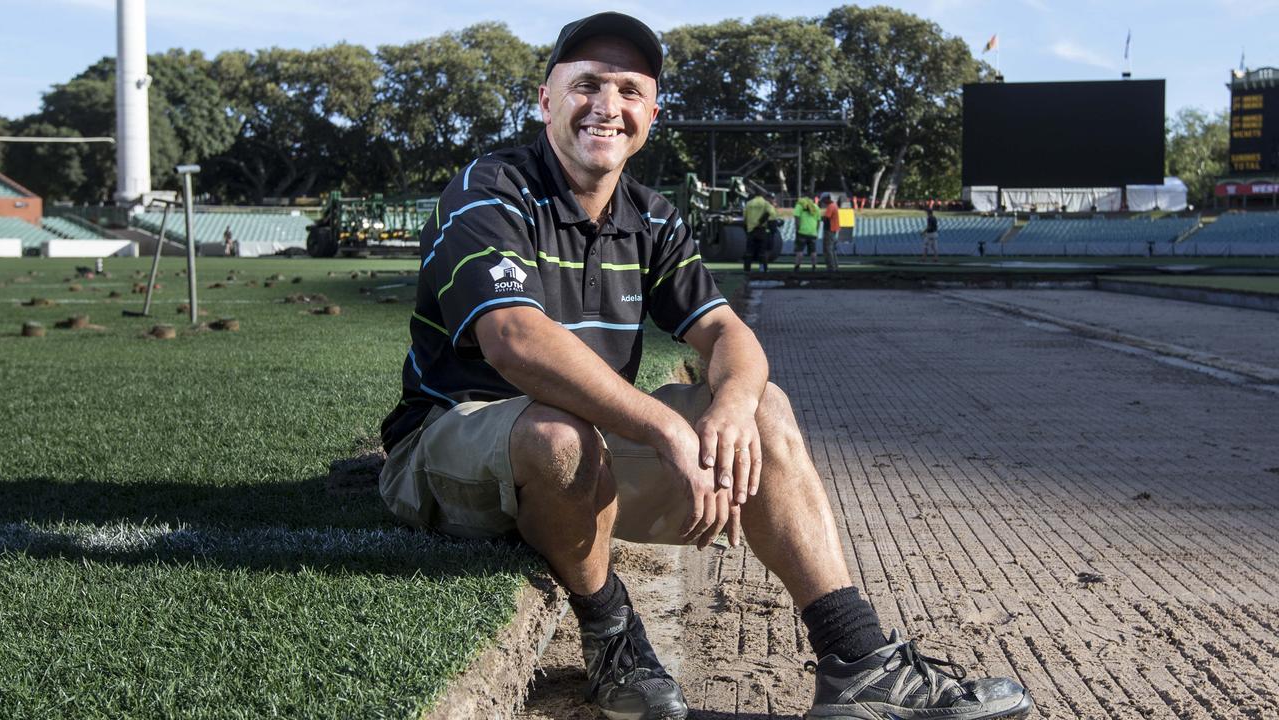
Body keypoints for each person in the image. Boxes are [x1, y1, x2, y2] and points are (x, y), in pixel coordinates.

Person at [378, 12, 1033, 720]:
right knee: (558, 435)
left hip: (580, 455)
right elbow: (515, 339)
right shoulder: (489, 187)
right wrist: (665, 424)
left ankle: (858, 660)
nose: (607, 105)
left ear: (651, 115)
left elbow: (726, 332)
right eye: (587, 84)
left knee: (762, 406)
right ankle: (612, 636)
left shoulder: (652, 217)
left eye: (629, 90)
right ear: (545, 101)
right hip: (454, 440)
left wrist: (725, 409)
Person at [743, 191, 777, 273]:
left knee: (749, 251)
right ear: (763, 196)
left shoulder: (749, 203)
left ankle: (747, 269)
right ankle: (763, 269)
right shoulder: (765, 203)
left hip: (751, 230)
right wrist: (760, 222)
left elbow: (745, 217)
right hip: (761, 230)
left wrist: (747, 228)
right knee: (762, 251)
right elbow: (771, 213)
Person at [792, 195, 820, 271]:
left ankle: (797, 267)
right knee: (813, 251)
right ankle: (814, 267)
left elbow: (797, 219)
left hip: (802, 232)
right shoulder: (816, 207)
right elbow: (818, 222)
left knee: (800, 251)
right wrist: (816, 231)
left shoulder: (799, 205)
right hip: (813, 232)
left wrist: (797, 230)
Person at [819, 194, 841, 270]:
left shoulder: (830, 206)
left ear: (827, 199)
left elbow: (826, 218)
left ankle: (831, 267)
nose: (823, 202)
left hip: (829, 230)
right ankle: (835, 266)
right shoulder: (834, 205)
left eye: (823, 200)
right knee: (832, 250)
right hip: (834, 230)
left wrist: (817, 217)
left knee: (827, 249)